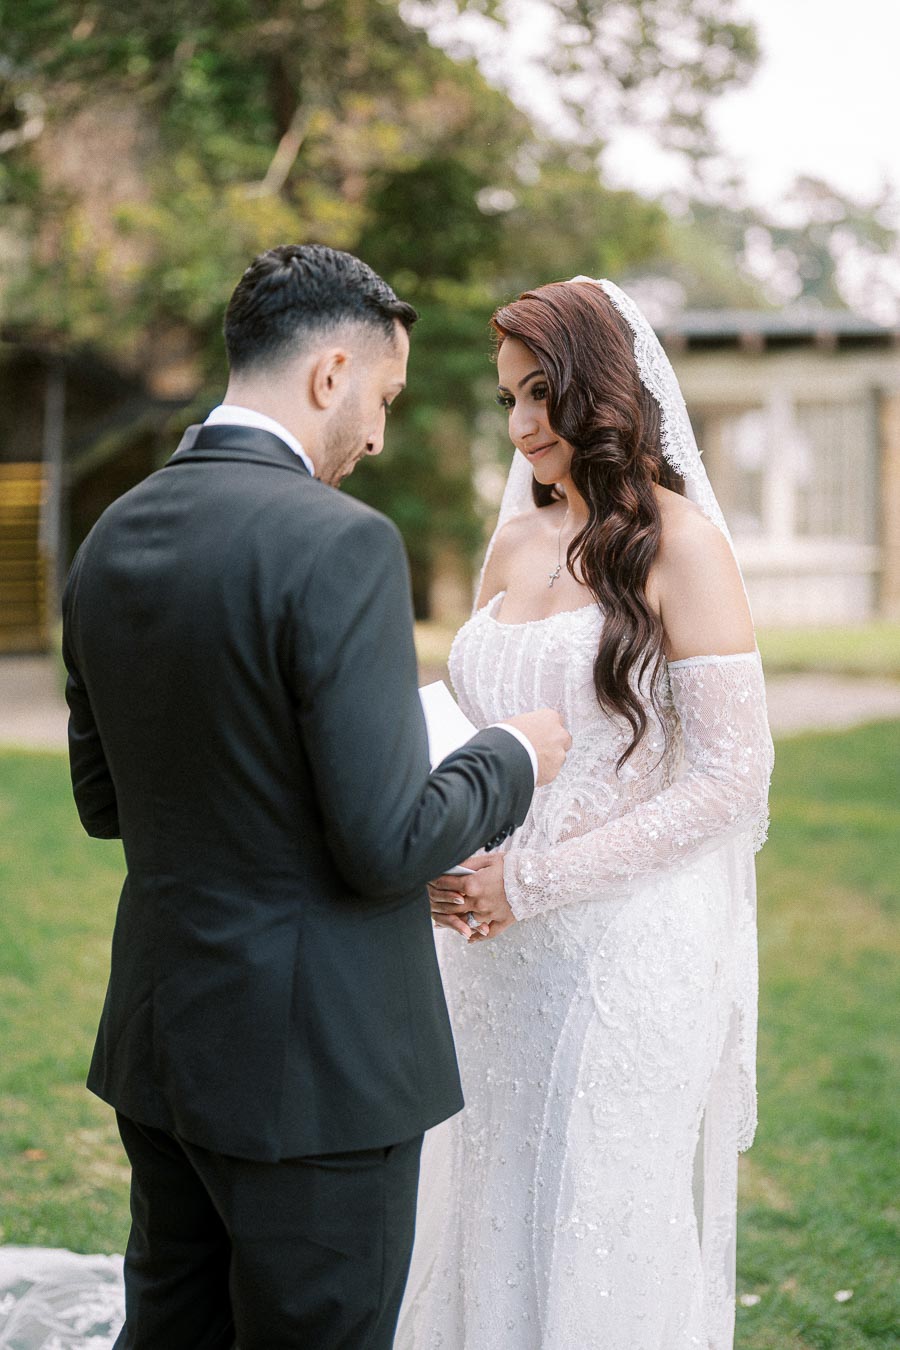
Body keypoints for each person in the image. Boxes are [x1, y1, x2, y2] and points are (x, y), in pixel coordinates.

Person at [60, 243, 571, 1349]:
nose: (381, 433)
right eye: (383, 398)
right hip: (318, 1075)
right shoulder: (341, 545)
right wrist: (511, 754)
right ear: (331, 374)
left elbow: (105, 801)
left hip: (164, 1045)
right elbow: (390, 844)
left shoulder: (110, 536)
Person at [397, 277, 775, 1350]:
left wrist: (533, 881)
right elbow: (474, 719)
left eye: (540, 395)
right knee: (483, 1192)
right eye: (509, 399)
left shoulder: (682, 545)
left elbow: (731, 778)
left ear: (601, 391)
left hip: (626, 941)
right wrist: (453, 833)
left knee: (598, 1203)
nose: (520, 426)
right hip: (487, 942)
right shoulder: (515, 543)